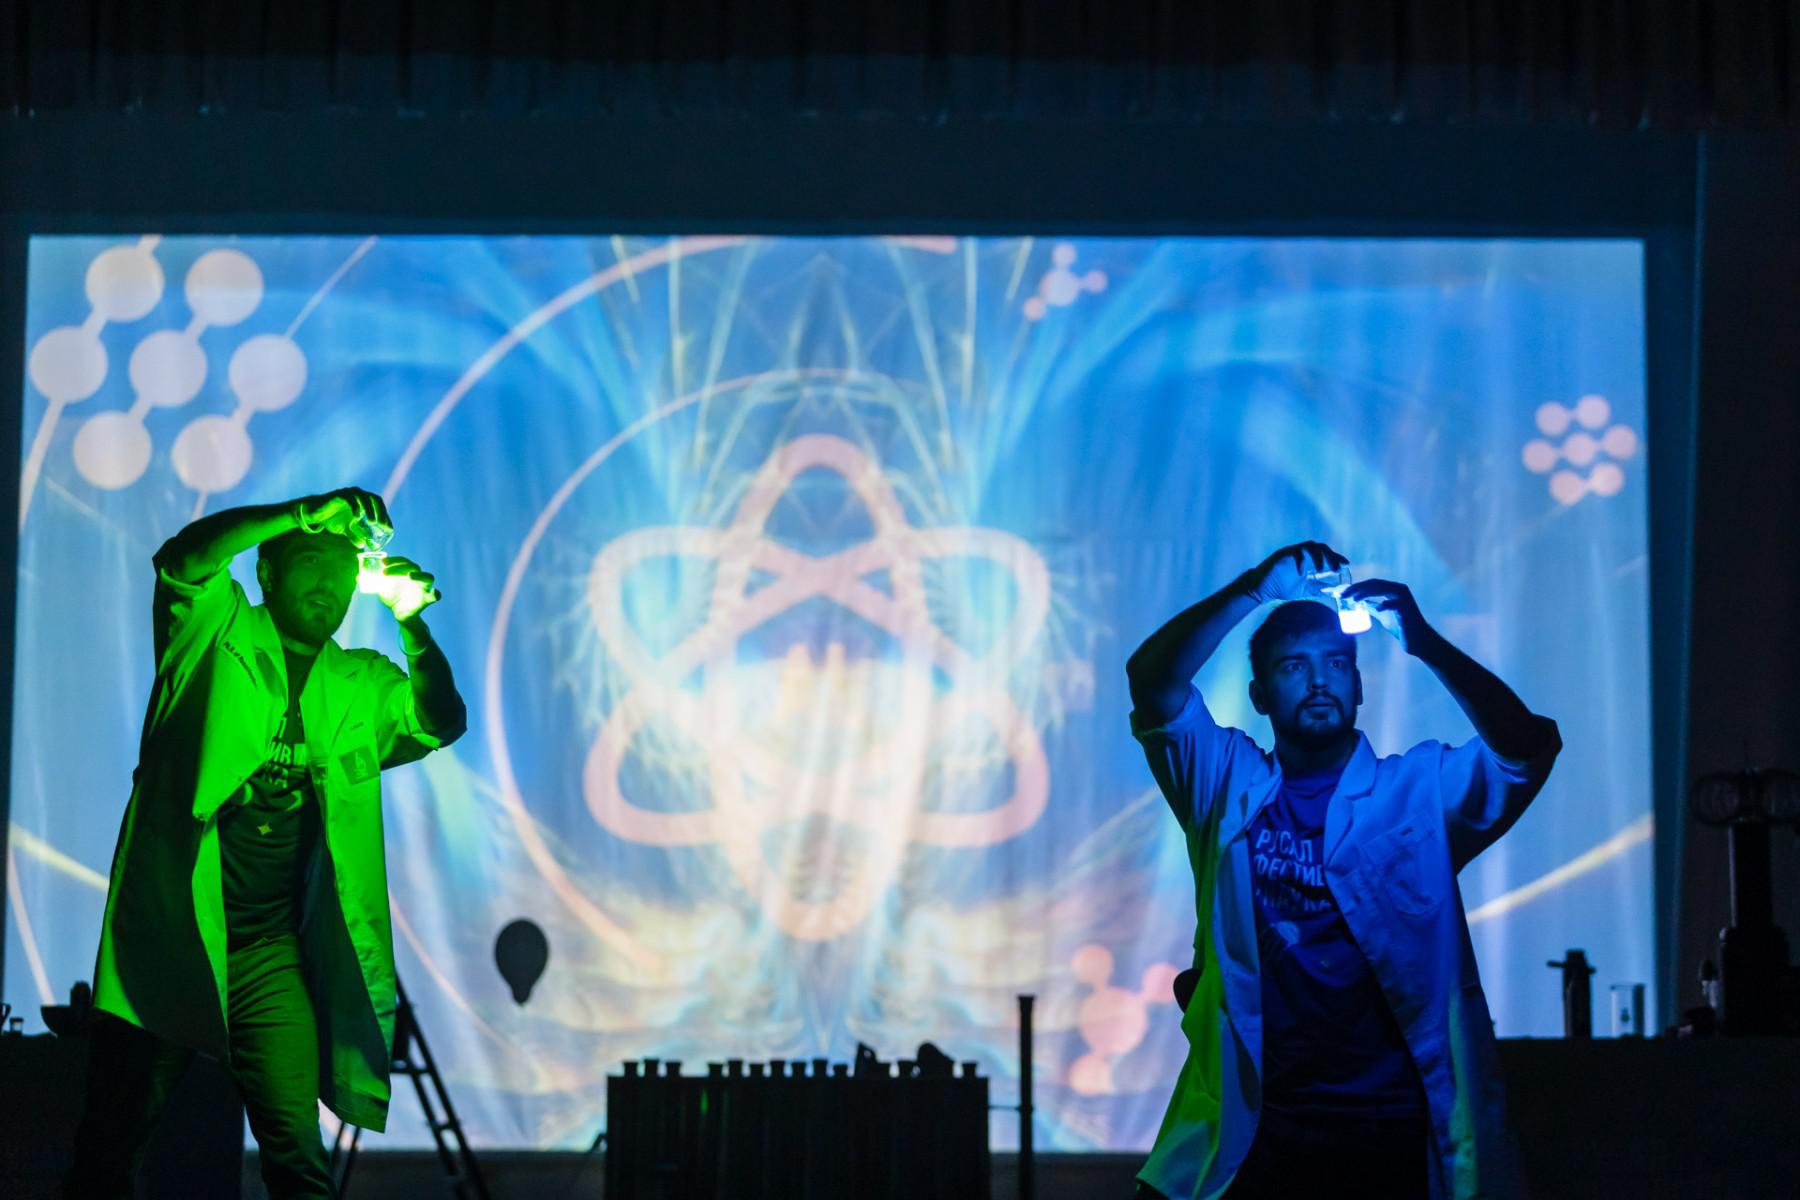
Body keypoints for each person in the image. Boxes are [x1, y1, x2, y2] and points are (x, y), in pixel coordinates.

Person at [64, 488, 467, 1199]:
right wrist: (304, 512)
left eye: (343, 571)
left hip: (267, 954)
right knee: (113, 1148)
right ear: (268, 573)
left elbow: (441, 721)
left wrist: (413, 625)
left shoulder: (358, 681)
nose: (330, 582)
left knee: (298, 1158)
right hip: (172, 938)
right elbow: (184, 559)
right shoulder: (213, 632)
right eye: (312, 561)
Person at [1125, 542, 1560, 1200]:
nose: (1319, 681)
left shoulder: (1416, 792)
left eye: (1336, 663)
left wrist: (1425, 643)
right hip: (1262, 1125)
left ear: (1359, 686)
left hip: (1387, 1124)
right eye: (1293, 666)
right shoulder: (1224, 782)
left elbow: (1524, 749)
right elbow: (1152, 682)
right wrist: (1254, 589)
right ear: (1259, 695)